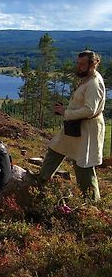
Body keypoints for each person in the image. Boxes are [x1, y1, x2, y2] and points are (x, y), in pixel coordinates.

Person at [37, 50, 105, 202]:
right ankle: (41, 181)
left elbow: (90, 110)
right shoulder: (87, 78)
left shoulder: (94, 83)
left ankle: (92, 202)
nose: (78, 67)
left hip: (87, 128)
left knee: (83, 164)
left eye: (82, 64)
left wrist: (65, 113)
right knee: (55, 149)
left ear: (93, 64)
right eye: (78, 63)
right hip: (74, 125)